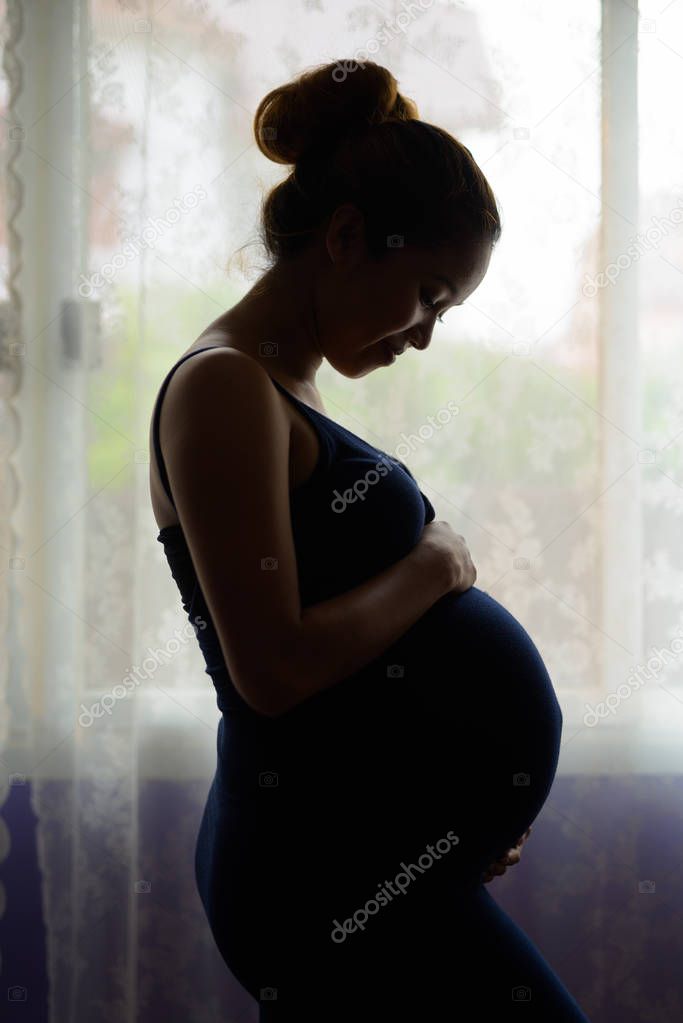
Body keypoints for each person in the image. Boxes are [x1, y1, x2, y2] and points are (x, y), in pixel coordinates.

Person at [148, 59, 591, 1022]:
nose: (424, 335)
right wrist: (434, 568)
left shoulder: (281, 387)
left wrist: (445, 811)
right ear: (347, 237)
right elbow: (272, 667)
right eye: (428, 294)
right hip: (317, 872)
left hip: (362, 854)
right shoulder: (224, 387)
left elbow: (347, 693)